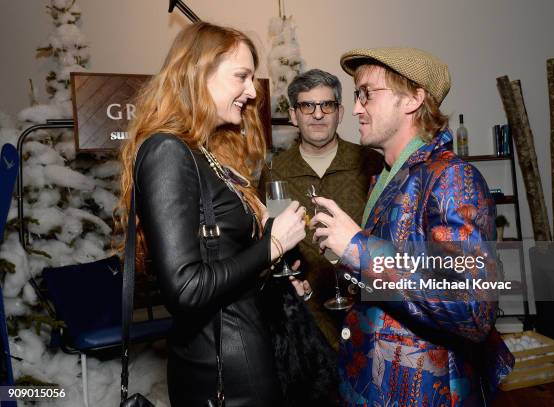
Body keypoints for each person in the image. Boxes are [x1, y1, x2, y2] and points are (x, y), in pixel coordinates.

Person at [115, 22, 307, 406]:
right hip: (225, 373)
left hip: (241, 350)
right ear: (198, 72)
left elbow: (222, 260)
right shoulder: (167, 151)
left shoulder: (205, 152)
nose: (253, 91)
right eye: (242, 76)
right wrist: (272, 246)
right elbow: (186, 288)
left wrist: (273, 267)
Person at [310, 48, 515, 406]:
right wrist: (345, 256)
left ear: (413, 98)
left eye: (366, 94)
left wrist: (358, 247)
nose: (356, 109)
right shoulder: (385, 178)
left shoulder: (452, 177)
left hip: (425, 392)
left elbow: (471, 305)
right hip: (377, 383)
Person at [259, 69, 383, 349]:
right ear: (293, 115)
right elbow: (264, 243)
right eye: (307, 106)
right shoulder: (274, 172)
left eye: (327, 105)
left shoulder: (370, 164)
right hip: (303, 321)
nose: (317, 114)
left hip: (369, 314)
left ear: (340, 112)